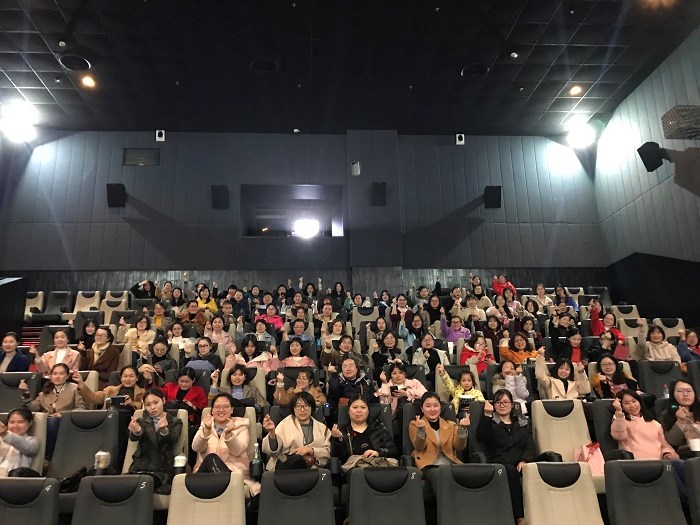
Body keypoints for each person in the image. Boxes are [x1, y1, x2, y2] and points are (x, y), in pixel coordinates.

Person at [477, 390, 535, 525]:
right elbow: (482, 437)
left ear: (512, 404)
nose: (502, 405)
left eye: (505, 402)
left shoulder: (521, 422)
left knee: (548, 461)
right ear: (494, 405)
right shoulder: (490, 421)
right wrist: (487, 414)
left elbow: (530, 445)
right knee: (510, 470)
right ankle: (520, 517)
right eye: (498, 402)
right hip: (500, 464)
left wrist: (524, 460)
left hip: (521, 462)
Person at [192, 393, 260, 495]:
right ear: (212, 410)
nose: (221, 410)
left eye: (226, 407)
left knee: (211, 458)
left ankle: (228, 487)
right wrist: (206, 430)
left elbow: (237, 451)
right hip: (205, 472)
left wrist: (229, 434)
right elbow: (196, 448)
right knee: (210, 459)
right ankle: (227, 487)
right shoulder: (206, 424)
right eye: (217, 407)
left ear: (232, 410)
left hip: (232, 472)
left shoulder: (241, 426)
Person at [20, 363, 85, 458]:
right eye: (54, 374)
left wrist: (63, 415)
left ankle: (48, 457)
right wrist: (25, 393)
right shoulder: (45, 391)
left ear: (67, 376)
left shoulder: (75, 388)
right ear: (50, 376)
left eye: (61, 374)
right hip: (46, 421)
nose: (57, 376)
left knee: (53, 421)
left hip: (67, 421)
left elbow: (81, 408)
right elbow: (34, 408)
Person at [127, 387, 183, 490]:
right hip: (140, 466)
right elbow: (134, 437)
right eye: (148, 405)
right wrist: (137, 431)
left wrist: (164, 431)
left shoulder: (175, 421)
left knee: (145, 483)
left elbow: (173, 439)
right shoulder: (141, 421)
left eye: (156, 402)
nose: (152, 407)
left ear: (163, 400)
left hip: (162, 468)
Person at [261, 391, 331, 470]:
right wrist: (272, 432)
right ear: (293, 409)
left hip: (314, 469)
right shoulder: (284, 425)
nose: (302, 410)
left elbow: (327, 453)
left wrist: (311, 450)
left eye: (306, 406)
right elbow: (273, 452)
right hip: (287, 469)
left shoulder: (323, 429)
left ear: (312, 408)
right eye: (298, 406)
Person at [330, 395, 399, 469]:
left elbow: (393, 450)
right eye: (355, 407)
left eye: (363, 407)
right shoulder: (342, 430)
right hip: (356, 471)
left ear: (368, 411)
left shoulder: (377, 426)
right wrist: (339, 439)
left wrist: (378, 452)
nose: (359, 411)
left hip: (379, 468)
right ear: (348, 411)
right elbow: (338, 459)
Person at [408, 391, 469, 470]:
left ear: (440, 407)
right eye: (428, 406)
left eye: (436, 405)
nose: (432, 409)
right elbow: (419, 447)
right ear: (422, 408)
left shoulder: (451, 425)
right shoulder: (415, 424)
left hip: (450, 465)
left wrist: (463, 428)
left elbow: (459, 447)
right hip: (428, 466)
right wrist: (421, 430)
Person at [611, 390, 678, 460]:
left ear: (639, 402)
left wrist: (667, 454)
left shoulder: (654, 424)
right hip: (635, 463)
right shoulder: (621, 421)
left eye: (634, 401)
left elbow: (664, 446)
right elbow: (619, 436)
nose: (632, 405)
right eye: (626, 403)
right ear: (622, 406)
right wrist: (618, 411)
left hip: (658, 462)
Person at [73, 365, 144, 409]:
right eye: (125, 376)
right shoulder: (110, 390)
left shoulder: (142, 393)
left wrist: (132, 403)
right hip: (110, 418)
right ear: (121, 378)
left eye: (131, 376)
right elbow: (92, 397)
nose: (127, 379)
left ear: (137, 378)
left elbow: (144, 408)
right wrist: (81, 382)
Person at [660, 380, 700, 455]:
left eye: (689, 391)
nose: (685, 394)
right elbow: (672, 442)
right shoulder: (666, 414)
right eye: (680, 391)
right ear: (673, 394)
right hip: (688, 456)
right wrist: (680, 422)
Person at [0, 407, 40, 476]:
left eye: (20, 422)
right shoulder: (1, 439)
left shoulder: (33, 441)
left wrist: (5, 434)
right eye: (12, 422)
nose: (15, 426)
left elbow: (27, 447)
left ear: (30, 423)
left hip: (15, 478)